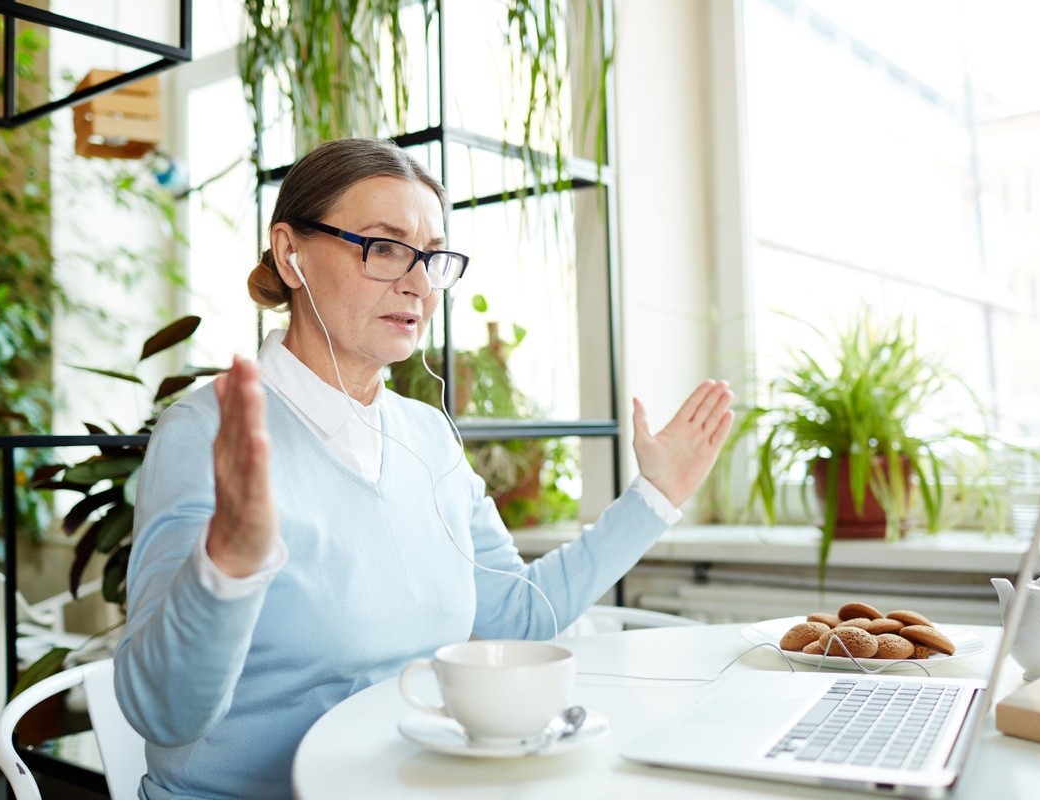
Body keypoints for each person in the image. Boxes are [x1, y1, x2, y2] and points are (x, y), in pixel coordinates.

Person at [114, 137, 735, 800]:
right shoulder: (205, 431)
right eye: (383, 247)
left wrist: (656, 497)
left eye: (432, 256)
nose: (416, 281)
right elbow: (162, 713)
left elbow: (515, 618)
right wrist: (228, 566)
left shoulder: (426, 436)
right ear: (292, 254)